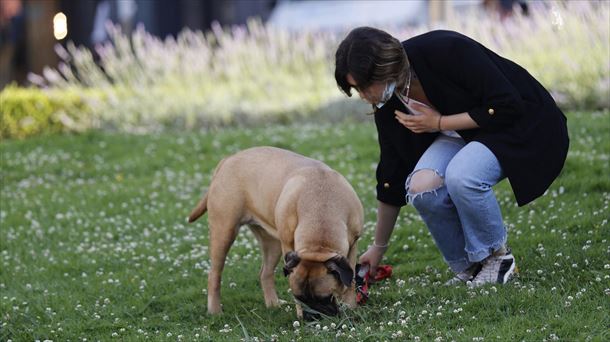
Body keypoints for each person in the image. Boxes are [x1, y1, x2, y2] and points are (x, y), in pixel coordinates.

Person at [334, 27, 568, 286]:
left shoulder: (446, 49)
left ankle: (497, 259)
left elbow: (506, 105)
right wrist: (378, 247)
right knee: (421, 185)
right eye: (357, 90)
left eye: (366, 86)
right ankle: (470, 267)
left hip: (516, 124)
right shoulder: (387, 102)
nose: (365, 96)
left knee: (462, 175)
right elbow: (392, 169)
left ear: (385, 67)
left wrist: (439, 122)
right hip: (461, 133)